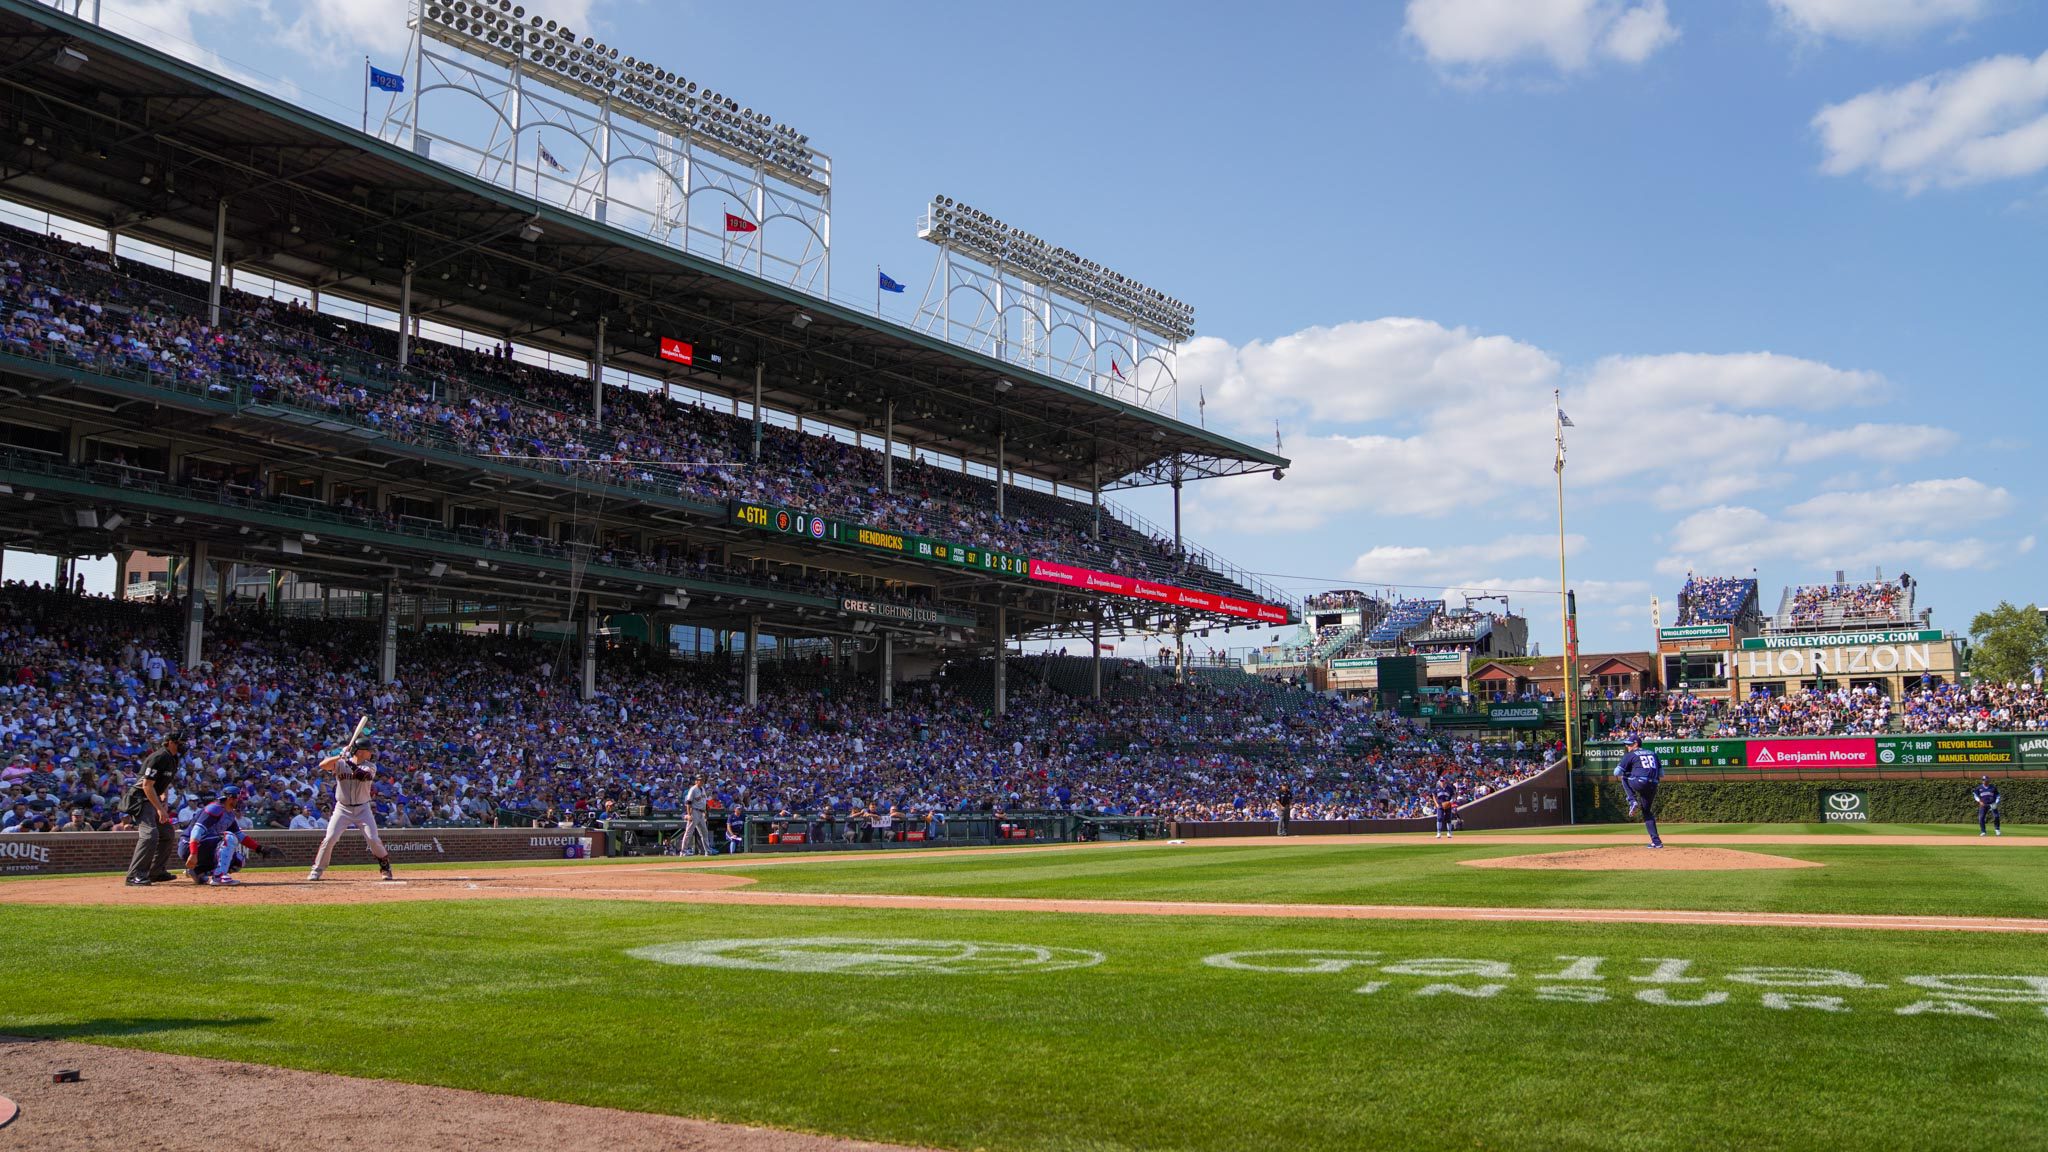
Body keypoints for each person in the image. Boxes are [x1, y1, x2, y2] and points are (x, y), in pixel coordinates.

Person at [308, 739, 394, 881]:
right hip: (342, 808)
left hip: (363, 809)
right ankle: (317, 870)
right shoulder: (340, 763)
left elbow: (362, 776)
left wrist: (347, 761)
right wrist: (340, 756)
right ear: (360, 752)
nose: (371, 752)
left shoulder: (370, 766)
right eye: (368, 750)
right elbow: (322, 765)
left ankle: (385, 867)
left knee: (373, 839)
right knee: (330, 838)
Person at [122, 729, 185, 887]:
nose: (183, 746)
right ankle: (135, 875)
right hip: (140, 799)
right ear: (170, 742)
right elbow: (147, 785)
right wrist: (160, 810)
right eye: (180, 743)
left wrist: (164, 798)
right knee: (150, 834)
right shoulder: (158, 757)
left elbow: (163, 781)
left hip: (152, 799)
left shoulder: (173, 758)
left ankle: (156, 872)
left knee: (167, 833)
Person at [183, 785, 274, 885]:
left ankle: (197, 871)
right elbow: (196, 831)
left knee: (238, 861)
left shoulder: (229, 814)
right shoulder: (215, 808)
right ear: (230, 798)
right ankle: (219, 876)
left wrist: (259, 849)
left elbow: (240, 836)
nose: (240, 801)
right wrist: (193, 853)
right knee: (229, 837)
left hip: (204, 847)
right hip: (189, 845)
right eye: (238, 799)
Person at [1615, 732, 1664, 849]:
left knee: (1624, 777)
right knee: (1647, 812)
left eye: (1629, 744)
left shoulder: (1631, 755)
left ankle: (1632, 801)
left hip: (1640, 782)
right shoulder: (1653, 753)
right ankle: (1656, 842)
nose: (1628, 747)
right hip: (1653, 784)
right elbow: (1662, 774)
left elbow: (1616, 772)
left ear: (1636, 744)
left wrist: (1630, 771)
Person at [680, 772, 712, 857]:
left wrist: (705, 812)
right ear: (696, 781)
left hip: (701, 813)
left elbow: (704, 802)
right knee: (689, 832)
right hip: (694, 812)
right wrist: (689, 814)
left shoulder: (703, 789)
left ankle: (707, 851)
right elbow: (688, 802)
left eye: (702, 780)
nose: (701, 781)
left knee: (704, 833)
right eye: (699, 780)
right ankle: (683, 851)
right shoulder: (693, 789)